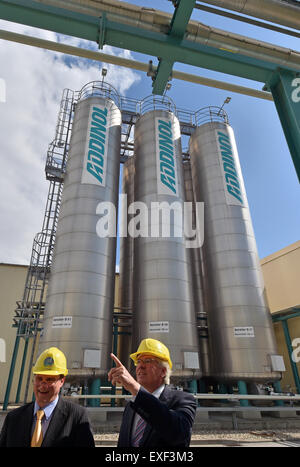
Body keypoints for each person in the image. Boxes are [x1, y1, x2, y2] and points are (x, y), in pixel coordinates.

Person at [108, 338, 197, 448]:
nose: (141, 366)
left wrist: (135, 389)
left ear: (163, 371)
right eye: (139, 361)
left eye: (148, 361)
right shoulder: (131, 406)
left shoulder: (183, 400)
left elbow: (178, 434)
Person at [0, 347, 95, 447]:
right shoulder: (13, 418)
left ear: (62, 381)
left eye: (49, 379)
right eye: (39, 378)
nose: (43, 385)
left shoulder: (77, 418)